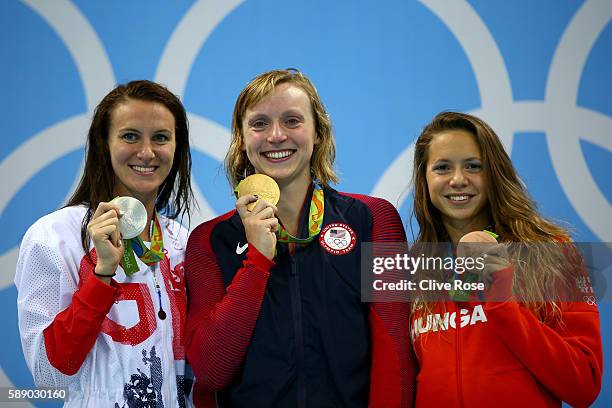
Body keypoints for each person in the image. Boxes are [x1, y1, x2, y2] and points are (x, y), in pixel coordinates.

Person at [185, 69, 415, 407]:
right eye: (259, 124)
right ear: (242, 139)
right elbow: (211, 370)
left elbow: (394, 354)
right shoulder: (209, 241)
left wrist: (490, 265)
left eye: (292, 121)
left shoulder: (374, 220)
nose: (276, 136)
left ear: (318, 132)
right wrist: (257, 263)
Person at [15, 80, 195, 407]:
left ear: (176, 148)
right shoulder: (54, 237)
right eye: (130, 136)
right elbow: (48, 374)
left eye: (161, 138)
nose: (146, 152)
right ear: (103, 144)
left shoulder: (181, 240)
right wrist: (101, 275)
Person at [409, 111, 603, 407]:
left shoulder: (550, 251)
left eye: (474, 166)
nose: (458, 180)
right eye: (443, 168)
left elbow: (584, 385)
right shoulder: (415, 269)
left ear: (494, 173)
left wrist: (502, 300)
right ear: (424, 179)